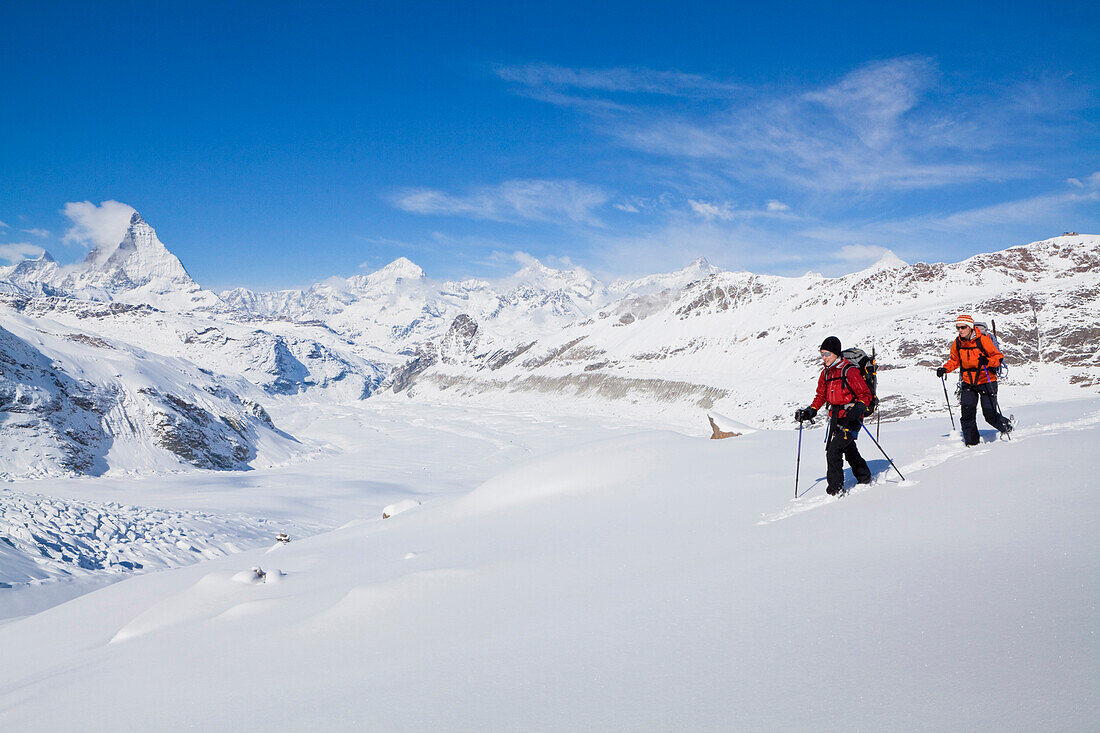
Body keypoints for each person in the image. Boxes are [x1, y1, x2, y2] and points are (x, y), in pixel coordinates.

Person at [794, 337, 873, 495]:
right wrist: (811, 410)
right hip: (836, 417)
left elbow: (865, 394)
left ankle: (835, 490)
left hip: (851, 417)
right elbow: (820, 396)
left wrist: (859, 408)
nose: (824, 357)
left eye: (827, 354)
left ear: (836, 353)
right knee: (848, 448)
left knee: (833, 450)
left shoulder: (849, 371)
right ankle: (864, 476)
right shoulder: (826, 374)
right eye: (822, 354)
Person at [936, 314, 1013, 446]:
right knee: (967, 414)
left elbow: (998, 358)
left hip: (987, 380)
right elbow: (955, 360)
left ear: (970, 327)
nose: (960, 330)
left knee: (989, 415)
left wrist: (987, 361)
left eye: (963, 327)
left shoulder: (983, 340)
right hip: (968, 382)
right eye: (958, 327)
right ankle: (971, 444)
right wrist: (945, 369)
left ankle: (1007, 427)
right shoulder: (958, 343)